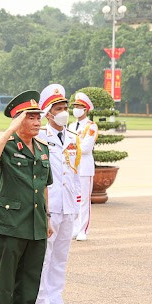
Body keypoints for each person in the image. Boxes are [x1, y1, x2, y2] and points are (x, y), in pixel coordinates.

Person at [0, 91, 53, 304]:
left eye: (38, 118)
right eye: (31, 118)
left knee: (30, 278)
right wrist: (9, 130)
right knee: (8, 279)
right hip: (11, 223)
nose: (37, 122)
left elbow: (45, 185)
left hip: (35, 223)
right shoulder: (6, 145)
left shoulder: (43, 149)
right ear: (18, 120)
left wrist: (47, 217)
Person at [35, 85, 81, 304]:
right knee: (45, 254)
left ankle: (56, 298)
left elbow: (75, 173)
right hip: (50, 204)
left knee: (61, 254)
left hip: (69, 204)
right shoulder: (41, 136)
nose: (63, 112)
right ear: (48, 113)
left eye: (65, 108)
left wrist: (78, 204)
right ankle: (41, 300)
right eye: (59, 108)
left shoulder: (73, 137)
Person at [69, 91, 97, 241]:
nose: (75, 109)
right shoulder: (71, 125)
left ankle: (83, 230)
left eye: (78, 106)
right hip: (73, 166)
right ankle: (74, 228)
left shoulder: (91, 126)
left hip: (85, 167)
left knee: (85, 200)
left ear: (85, 109)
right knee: (74, 199)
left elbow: (86, 148)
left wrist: (72, 145)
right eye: (74, 106)